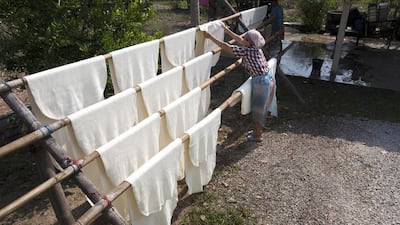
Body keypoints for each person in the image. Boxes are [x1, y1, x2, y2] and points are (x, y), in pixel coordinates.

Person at [203, 24, 277, 142]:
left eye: (245, 38)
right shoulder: (256, 48)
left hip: (261, 82)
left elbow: (227, 47)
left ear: (249, 42)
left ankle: (257, 136)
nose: (242, 40)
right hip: (266, 79)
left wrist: (210, 37)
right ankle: (257, 131)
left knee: (257, 109)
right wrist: (227, 31)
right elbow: (239, 40)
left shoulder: (247, 52)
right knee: (260, 108)